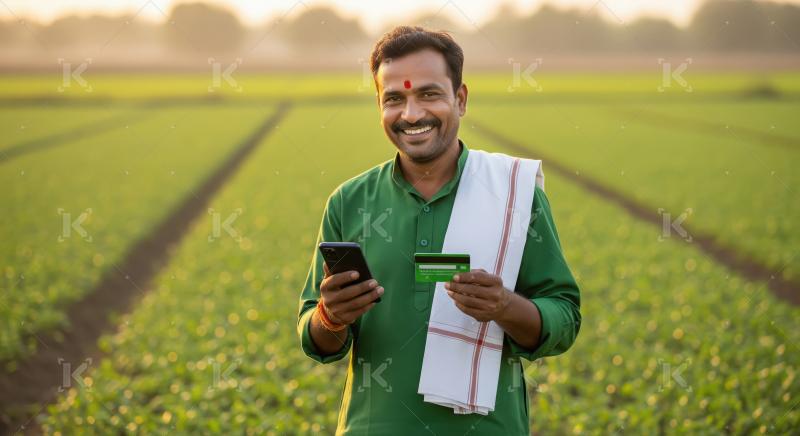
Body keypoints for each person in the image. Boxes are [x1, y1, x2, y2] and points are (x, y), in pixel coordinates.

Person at [297, 26, 581, 435]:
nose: (411, 114)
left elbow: (564, 317)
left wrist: (504, 306)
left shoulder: (513, 192)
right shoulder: (349, 201)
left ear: (460, 99)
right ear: (379, 104)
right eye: (394, 98)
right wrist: (331, 316)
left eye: (428, 94)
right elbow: (314, 336)